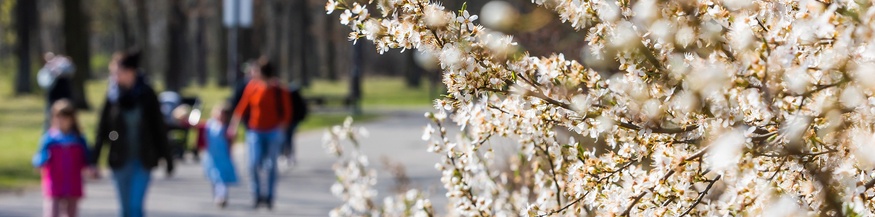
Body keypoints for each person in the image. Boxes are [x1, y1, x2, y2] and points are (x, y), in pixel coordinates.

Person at [92, 50, 174, 217]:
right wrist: (93, 160)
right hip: (119, 159)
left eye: (118, 72)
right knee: (124, 209)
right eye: (113, 73)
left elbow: (158, 127)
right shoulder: (112, 96)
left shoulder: (147, 94)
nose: (115, 77)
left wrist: (168, 158)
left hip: (143, 159)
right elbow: (102, 130)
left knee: (136, 206)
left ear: (131, 72)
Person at [228, 58, 292, 210]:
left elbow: (287, 112)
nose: (253, 73)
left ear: (263, 72)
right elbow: (242, 107)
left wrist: (281, 129)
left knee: (270, 166)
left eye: (256, 71)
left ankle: (269, 196)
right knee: (253, 164)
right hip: (255, 131)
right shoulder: (252, 87)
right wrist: (234, 125)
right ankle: (256, 195)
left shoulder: (279, 89)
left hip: (273, 132)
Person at [33, 99, 93, 217]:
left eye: (65, 118)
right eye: (58, 117)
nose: (61, 121)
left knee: (71, 213)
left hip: (73, 183)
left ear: (72, 119)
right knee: (52, 212)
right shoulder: (49, 139)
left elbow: (86, 158)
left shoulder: (79, 139)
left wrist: (90, 168)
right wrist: (39, 162)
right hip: (54, 183)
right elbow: (40, 156)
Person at [199, 102, 238, 208]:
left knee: (221, 178)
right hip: (211, 157)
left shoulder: (226, 128)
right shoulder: (210, 124)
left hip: (223, 157)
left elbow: (232, 139)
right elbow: (198, 127)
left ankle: (221, 196)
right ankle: (217, 195)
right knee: (214, 178)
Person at [38, 53, 75, 130]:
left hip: (65, 97)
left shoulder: (64, 67)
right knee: (50, 117)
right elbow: (45, 84)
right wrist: (53, 74)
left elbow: (72, 70)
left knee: (67, 117)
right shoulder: (45, 71)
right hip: (52, 99)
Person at [279, 83, 308, 168]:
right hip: (287, 121)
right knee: (286, 138)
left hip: (291, 120)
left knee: (287, 138)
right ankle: (286, 154)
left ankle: (288, 154)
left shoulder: (292, 95)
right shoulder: (284, 95)